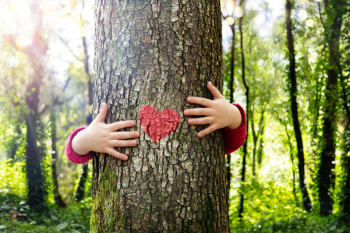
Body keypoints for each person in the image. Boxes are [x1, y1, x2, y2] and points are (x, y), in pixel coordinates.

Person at [65, 81, 247, 164]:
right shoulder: (100, 136)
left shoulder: (213, 121)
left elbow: (231, 144)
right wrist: (85, 139)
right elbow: (73, 153)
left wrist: (233, 115)